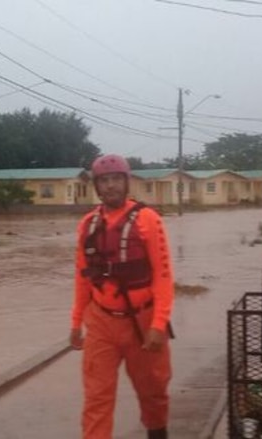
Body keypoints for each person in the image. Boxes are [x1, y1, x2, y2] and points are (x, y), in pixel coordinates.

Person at [69, 153, 174, 439]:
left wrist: (159, 324)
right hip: (101, 321)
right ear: (97, 186)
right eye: (104, 180)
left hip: (143, 321)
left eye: (116, 179)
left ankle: (157, 432)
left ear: (126, 183)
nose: (111, 186)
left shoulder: (148, 220)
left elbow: (164, 277)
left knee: (153, 391)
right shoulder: (87, 225)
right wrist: (76, 322)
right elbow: (82, 278)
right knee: (96, 398)